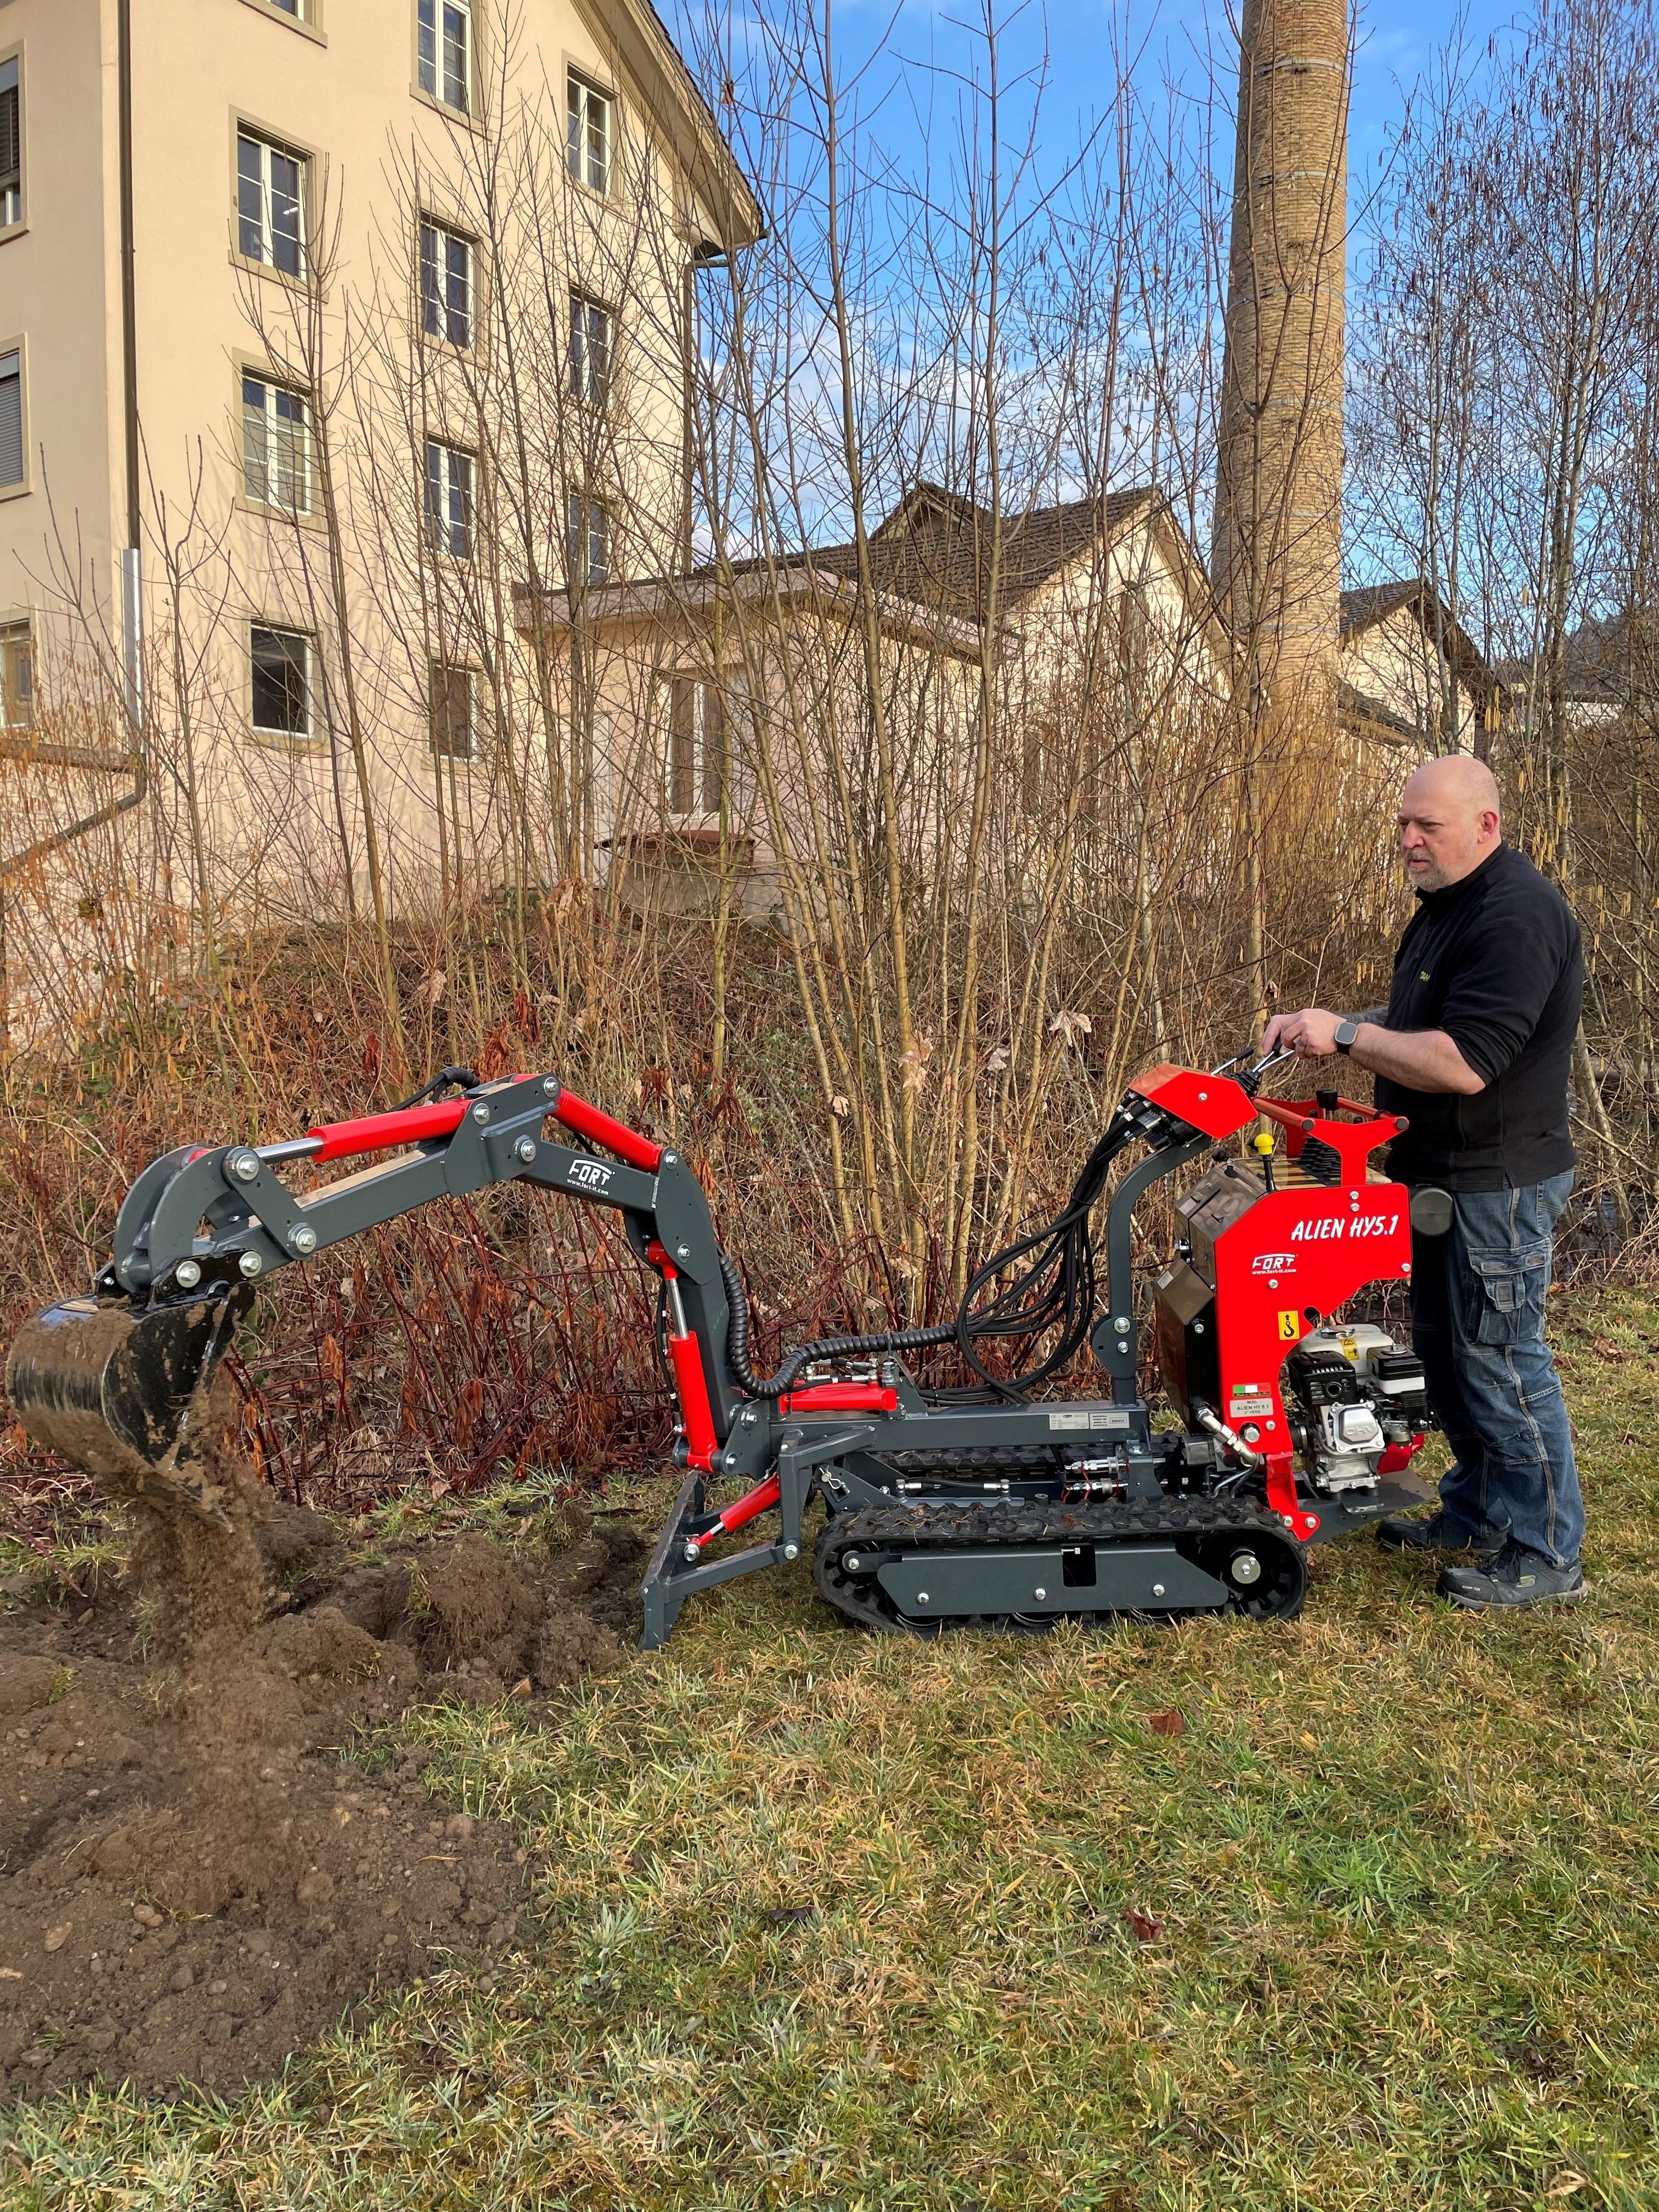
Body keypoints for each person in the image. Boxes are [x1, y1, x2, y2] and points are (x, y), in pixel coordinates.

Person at [1261, 753, 1587, 1610]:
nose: (1408, 840)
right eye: (1403, 825)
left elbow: (1467, 1061)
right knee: (1446, 1357)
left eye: (1426, 827)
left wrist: (1348, 1035)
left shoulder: (1516, 916)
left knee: (1503, 1361)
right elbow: (1408, 1027)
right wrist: (1326, 1027)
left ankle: (1546, 1550)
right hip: (1438, 1174)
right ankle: (1477, 1511)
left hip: (1499, 1183)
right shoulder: (1446, 909)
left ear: (1485, 825)